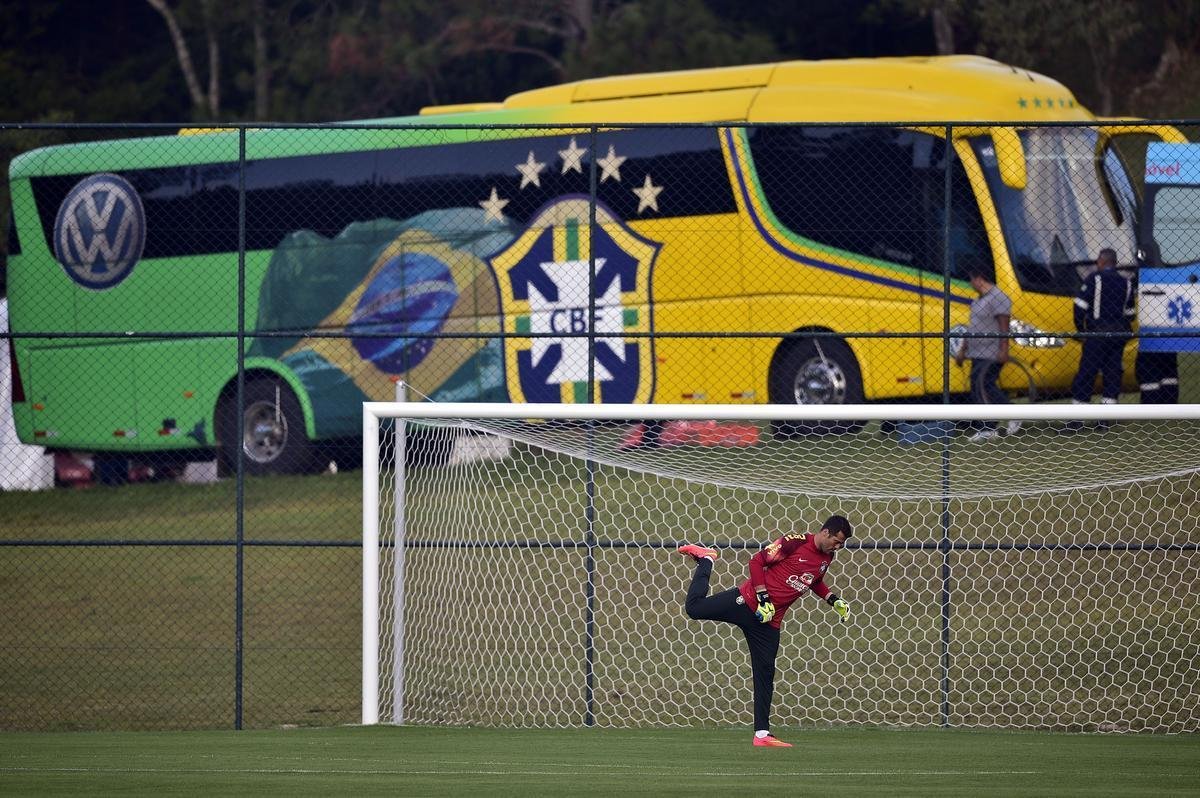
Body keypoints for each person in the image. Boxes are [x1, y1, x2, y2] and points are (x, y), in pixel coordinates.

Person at [677, 515, 852, 748]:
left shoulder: (827, 557)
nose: (838, 547)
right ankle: (707, 559)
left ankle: (762, 734)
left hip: (769, 623)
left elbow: (813, 580)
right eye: (837, 541)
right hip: (747, 602)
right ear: (826, 532)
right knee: (694, 608)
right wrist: (763, 597)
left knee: (765, 673)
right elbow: (756, 562)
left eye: (841, 544)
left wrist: (832, 599)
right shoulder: (795, 542)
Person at [1063, 248, 1134, 433]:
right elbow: (1130, 314)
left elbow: (1079, 307)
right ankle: (1104, 420)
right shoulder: (1126, 283)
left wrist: (1082, 330)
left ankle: (1077, 420)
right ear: (1115, 263)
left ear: (1100, 261)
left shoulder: (1094, 279)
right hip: (1118, 335)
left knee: (1087, 373)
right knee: (1112, 374)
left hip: (1097, 334)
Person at [954, 266, 1019, 441]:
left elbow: (1004, 326)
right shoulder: (978, 301)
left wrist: (1004, 350)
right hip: (977, 352)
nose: (970, 283)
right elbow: (973, 327)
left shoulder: (998, 297)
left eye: (971, 279)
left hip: (991, 352)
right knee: (978, 386)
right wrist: (963, 349)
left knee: (985, 385)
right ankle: (989, 426)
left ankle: (999, 420)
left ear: (979, 279)